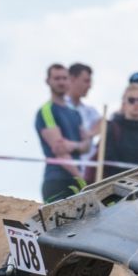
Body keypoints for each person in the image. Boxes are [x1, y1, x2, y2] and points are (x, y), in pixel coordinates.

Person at [34, 63, 87, 202]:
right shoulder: (47, 111)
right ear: (48, 81)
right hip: (56, 181)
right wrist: (82, 180)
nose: (61, 82)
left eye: (64, 78)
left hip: (76, 180)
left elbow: (86, 145)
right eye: (57, 78)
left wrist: (72, 145)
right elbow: (60, 151)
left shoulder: (75, 113)